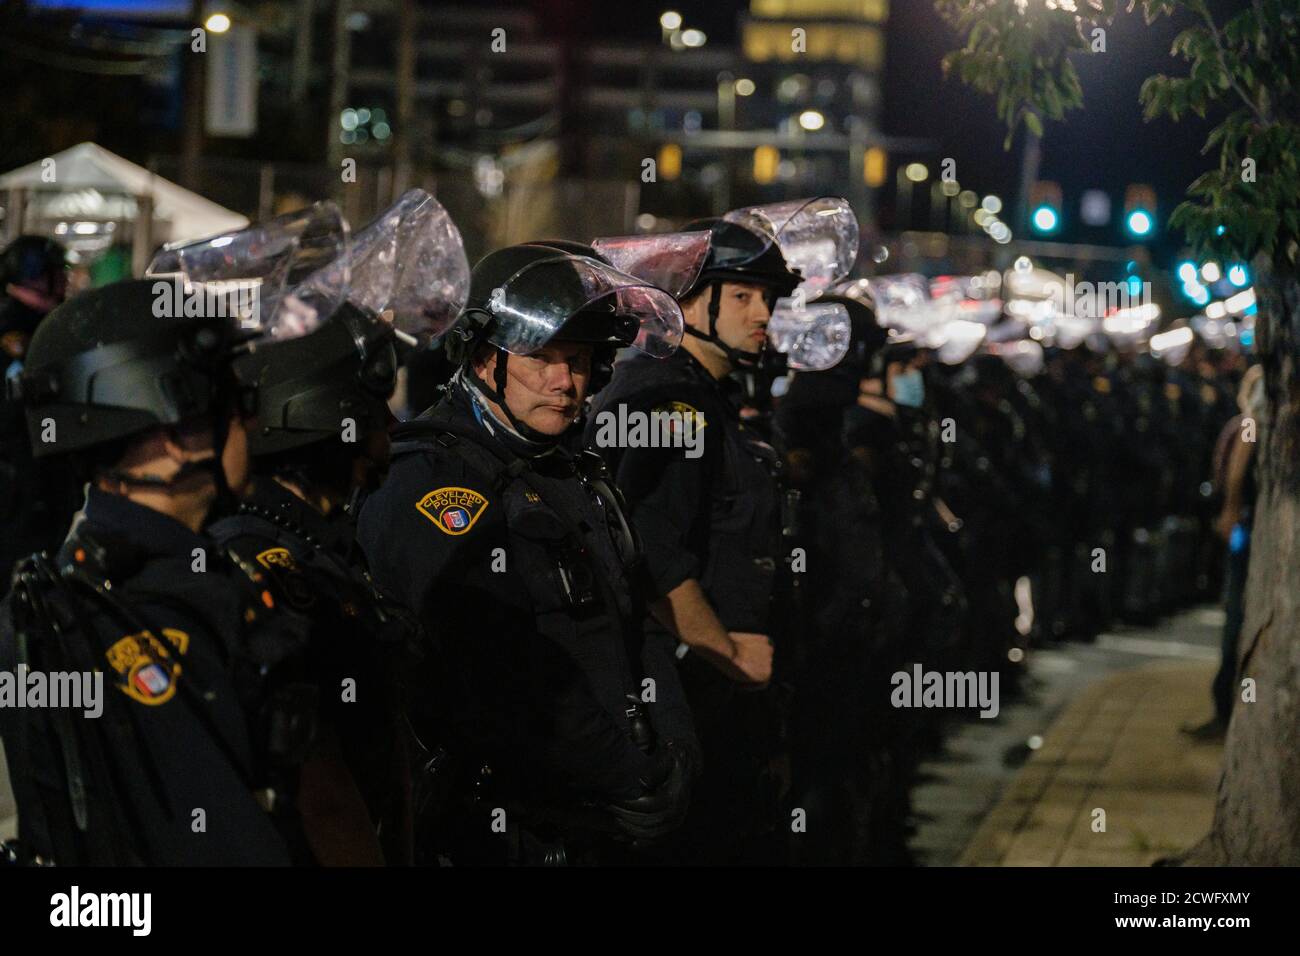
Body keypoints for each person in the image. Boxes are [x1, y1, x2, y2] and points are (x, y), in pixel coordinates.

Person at [357, 243, 697, 865]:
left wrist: (674, 753)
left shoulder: (572, 470)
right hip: (500, 834)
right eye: (541, 358)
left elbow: (635, 623)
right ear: (485, 359)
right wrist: (627, 774)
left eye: (581, 361)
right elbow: (500, 678)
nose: (564, 382)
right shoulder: (432, 481)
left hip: (599, 823)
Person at [0, 278, 350, 865]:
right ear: (180, 430)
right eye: (235, 405)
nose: (255, 426)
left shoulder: (83, 586)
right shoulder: (146, 610)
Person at [169, 191, 469, 863]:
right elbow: (322, 794)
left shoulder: (312, 543)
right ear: (318, 419)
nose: (391, 429)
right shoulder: (271, 566)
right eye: (371, 410)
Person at [587, 197, 858, 863]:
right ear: (689, 302)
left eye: (767, 299)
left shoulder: (710, 399)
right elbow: (649, 555)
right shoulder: (667, 403)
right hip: (690, 691)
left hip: (722, 700)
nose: (763, 315)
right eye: (742, 297)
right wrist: (728, 655)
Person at [0, 235, 79, 591]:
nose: (65, 280)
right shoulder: (17, 328)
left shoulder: (47, 323)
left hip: (41, 475)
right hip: (21, 477)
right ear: (34, 275)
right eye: (56, 272)